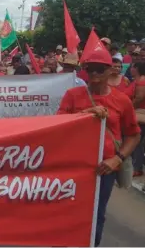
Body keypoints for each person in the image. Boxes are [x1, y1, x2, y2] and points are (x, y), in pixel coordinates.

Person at [57, 47, 140, 247]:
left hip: (104, 169)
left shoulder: (122, 100)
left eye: (99, 69)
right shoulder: (72, 95)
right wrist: (85, 114)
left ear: (111, 70)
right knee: (66, 212)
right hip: (73, 167)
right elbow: (58, 126)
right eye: (90, 68)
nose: (94, 74)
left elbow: (134, 134)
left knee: (96, 214)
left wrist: (117, 159)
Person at [130, 62, 145, 177]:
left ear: (137, 69)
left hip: (140, 114)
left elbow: (139, 97)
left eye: (132, 67)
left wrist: (129, 108)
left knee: (137, 142)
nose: (130, 69)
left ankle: (137, 167)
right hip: (140, 113)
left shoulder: (141, 81)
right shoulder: (138, 80)